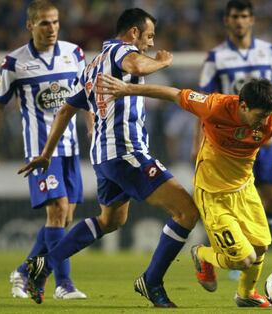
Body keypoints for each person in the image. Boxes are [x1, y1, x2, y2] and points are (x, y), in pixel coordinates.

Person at [97, 74, 272, 308]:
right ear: (243, 106)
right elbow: (173, 94)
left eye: (268, 116)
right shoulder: (215, 106)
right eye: (261, 115)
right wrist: (128, 89)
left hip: (244, 189)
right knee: (243, 259)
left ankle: (245, 295)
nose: (265, 122)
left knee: (261, 246)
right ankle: (202, 254)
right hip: (213, 194)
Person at [17, 8, 199, 308]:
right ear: (133, 32)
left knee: (111, 219)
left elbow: (65, 110)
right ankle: (151, 281)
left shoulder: (91, 66)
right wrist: (162, 62)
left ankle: (44, 264)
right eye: (149, 36)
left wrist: (46, 154)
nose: (151, 44)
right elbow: (137, 65)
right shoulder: (122, 52)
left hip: (104, 157)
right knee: (186, 212)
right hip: (126, 152)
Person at [0, 0, 88, 300]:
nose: (51, 28)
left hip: (70, 149)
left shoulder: (74, 54)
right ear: (29, 25)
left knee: (64, 219)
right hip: (40, 154)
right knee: (57, 213)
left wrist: (93, 128)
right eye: (44, 23)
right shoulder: (14, 63)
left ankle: (25, 270)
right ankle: (63, 285)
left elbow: (86, 95)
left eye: (54, 22)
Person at [195, 0, 272, 281]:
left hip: (264, 136)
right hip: (230, 139)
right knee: (233, 194)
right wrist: (196, 143)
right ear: (227, 20)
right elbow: (205, 104)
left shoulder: (269, 52)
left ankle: (252, 247)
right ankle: (237, 252)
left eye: (244, 16)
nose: (239, 21)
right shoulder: (215, 58)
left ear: (252, 20)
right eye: (235, 16)